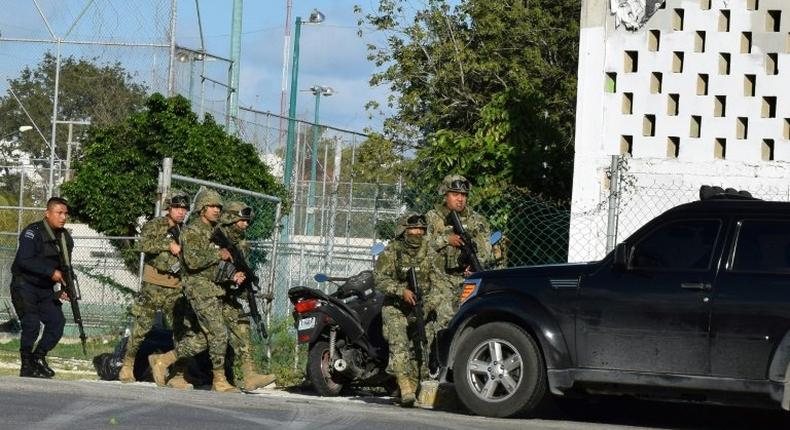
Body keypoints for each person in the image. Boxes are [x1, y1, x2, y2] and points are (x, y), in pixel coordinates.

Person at [148, 188, 241, 392]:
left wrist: (232, 274)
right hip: (199, 289)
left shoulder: (215, 232)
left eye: (218, 206)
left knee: (205, 337)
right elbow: (192, 261)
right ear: (202, 209)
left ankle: (164, 360)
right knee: (218, 333)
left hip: (213, 289)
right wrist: (219, 256)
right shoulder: (192, 231)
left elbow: (215, 265)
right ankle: (219, 380)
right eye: (212, 206)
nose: (217, 210)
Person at [118, 190, 191, 387]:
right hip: (153, 284)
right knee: (142, 327)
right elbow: (143, 244)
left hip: (175, 286)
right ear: (169, 208)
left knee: (180, 331)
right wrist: (168, 245)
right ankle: (127, 365)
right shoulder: (156, 224)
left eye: (184, 209)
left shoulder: (186, 231)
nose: (180, 212)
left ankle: (178, 374)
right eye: (177, 208)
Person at [375, 212, 445, 407]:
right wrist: (401, 291)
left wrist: (428, 305)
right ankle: (404, 386)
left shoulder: (430, 252)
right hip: (396, 307)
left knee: (423, 346)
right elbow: (380, 279)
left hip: (422, 306)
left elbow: (440, 283)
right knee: (399, 344)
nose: (417, 233)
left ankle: (412, 387)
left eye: (421, 230)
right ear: (404, 231)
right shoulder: (391, 252)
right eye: (413, 229)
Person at [214, 200, 276, 391]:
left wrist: (241, 281)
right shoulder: (214, 237)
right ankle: (169, 364)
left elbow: (239, 267)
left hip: (228, 295)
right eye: (242, 220)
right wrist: (230, 275)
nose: (245, 224)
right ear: (231, 219)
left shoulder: (240, 243)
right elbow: (208, 266)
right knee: (198, 339)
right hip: (209, 295)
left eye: (247, 221)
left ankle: (249, 375)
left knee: (242, 326)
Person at [10, 197, 73, 378]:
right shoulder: (33, 232)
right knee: (31, 324)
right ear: (47, 213)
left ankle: (38, 357)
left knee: (57, 322)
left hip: (46, 290)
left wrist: (66, 286)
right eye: (59, 213)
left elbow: (66, 266)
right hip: (24, 286)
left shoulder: (65, 238)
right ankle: (26, 365)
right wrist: (51, 272)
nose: (63, 217)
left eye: (65, 213)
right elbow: (24, 260)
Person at [424, 174, 492, 315]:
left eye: (463, 195)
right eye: (455, 194)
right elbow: (420, 247)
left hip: (468, 281)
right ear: (445, 195)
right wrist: (446, 240)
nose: (460, 199)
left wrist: (476, 266)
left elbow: (486, 251)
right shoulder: (431, 218)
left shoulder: (477, 221)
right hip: (439, 284)